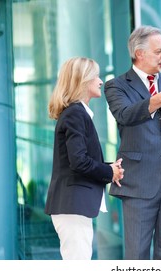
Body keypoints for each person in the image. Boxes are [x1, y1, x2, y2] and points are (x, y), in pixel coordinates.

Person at [104, 25, 161, 260]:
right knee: (137, 255)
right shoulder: (116, 85)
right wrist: (159, 99)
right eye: (159, 51)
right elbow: (125, 114)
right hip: (138, 181)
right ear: (140, 54)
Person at [44, 57, 124, 260]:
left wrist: (109, 169)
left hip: (73, 206)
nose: (100, 81)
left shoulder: (76, 113)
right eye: (95, 76)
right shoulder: (75, 114)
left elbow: (79, 159)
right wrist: (109, 172)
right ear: (82, 81)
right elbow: (79, 161)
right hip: (72, 206)